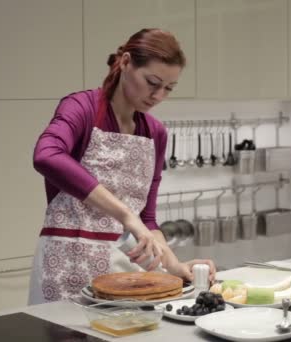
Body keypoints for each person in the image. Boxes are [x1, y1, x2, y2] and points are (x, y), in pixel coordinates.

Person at [28, 28, 216, 304]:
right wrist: (127, 215)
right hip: (67, 268)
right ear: (126, 62)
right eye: (152, 82)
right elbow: (47, 155)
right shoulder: (82, 108)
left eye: (168, 88)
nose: (158, 95)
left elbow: (147, 219)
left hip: (126, 275)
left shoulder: (155, 132)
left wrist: (175, 266)